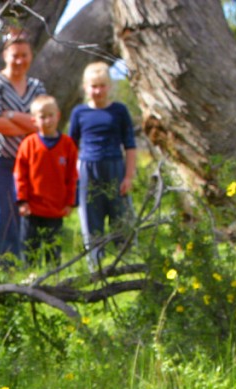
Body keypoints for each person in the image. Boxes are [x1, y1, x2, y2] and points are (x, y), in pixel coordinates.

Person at [0, 29, 46, 264]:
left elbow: (43, 122)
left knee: (18, 218)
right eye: (15, 55)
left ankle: (15, 270)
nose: (19, 61)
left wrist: (12, 114)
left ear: (31, 56)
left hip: (26, 163)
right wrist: (29, 124)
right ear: (5, 55)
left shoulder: (37, 87)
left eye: (24, 55)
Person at [69, 62, 136, 272]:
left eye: (102, 86)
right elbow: (70, 147)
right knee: (92, 218)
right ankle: (95, 266)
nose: (98, 91)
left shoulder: (119, 110)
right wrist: (72, 180)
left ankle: (126, 263)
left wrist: (128, 177)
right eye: (93, 86)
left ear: (109, 86)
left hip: (115, 166)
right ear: (86, 87)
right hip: (88, 168)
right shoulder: (79, 112)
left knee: (121, 216)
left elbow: (130, 146)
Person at [13, 95, 78, 267]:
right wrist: (22, 201)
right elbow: (20, 175)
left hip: (55, 210)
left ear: (58, 115)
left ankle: (53, 281)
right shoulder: (28, 144)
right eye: (42, 116)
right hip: (32, 209)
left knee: (53, 251)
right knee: (30, 250)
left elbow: (72, 176)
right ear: (34, 120)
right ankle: (30, 281)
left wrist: (70, 202)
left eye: (51, 115)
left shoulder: (68, 145)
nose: (47, 120)